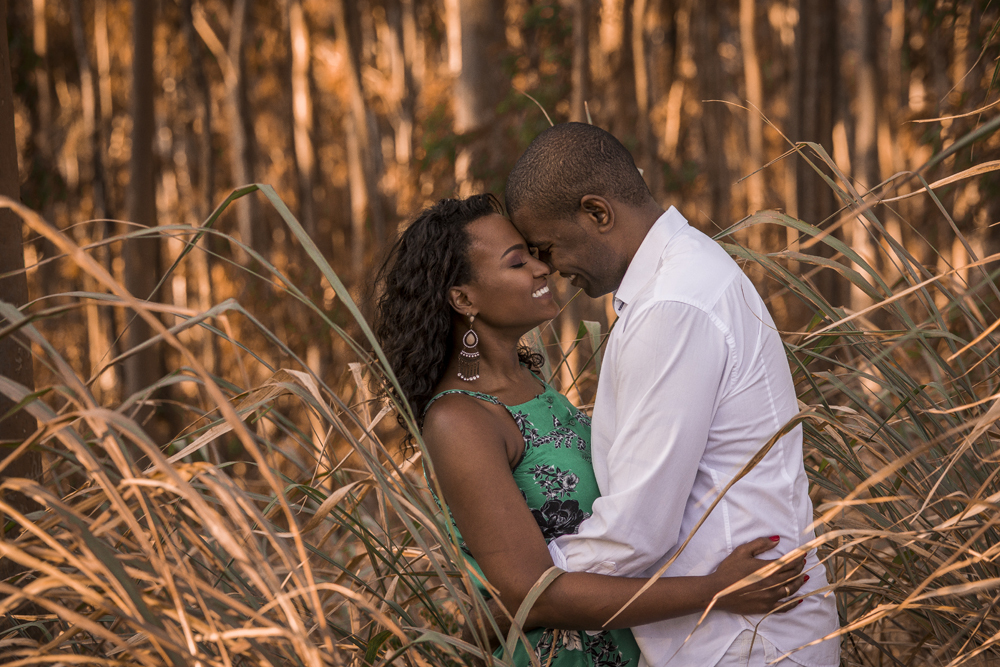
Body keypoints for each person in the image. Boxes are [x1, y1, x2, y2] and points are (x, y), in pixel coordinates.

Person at [373, 194, 808, 667]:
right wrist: (715, 590)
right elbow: (532, 594)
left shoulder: (530, 387)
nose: (543, 270)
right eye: (518, 262)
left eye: (536, 256)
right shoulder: (460, 420)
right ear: (463, 298)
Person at [504, 122, 841, 666]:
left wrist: (521, 588)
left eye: (547, 245)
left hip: (743, 643)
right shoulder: (683, 276)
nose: (549, 268)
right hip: (737, 636)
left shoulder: (673, 306)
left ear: (597, 213)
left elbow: (636, 533)